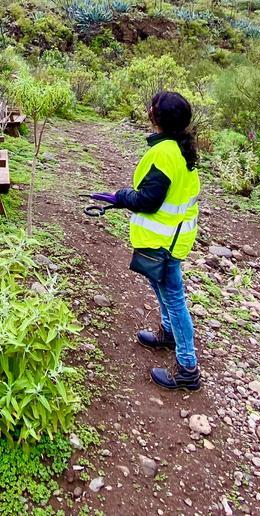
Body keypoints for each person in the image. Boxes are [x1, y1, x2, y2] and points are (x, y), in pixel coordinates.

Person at [92, 90, 202, 390]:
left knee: (174, 299)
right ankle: (167, 334)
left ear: (157, 117)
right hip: (173, 238)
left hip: (163, 242)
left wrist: (123, 196)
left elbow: (150, 200)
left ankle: (188, 368)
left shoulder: (165, 153)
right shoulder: (178, 147)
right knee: (164, 291)